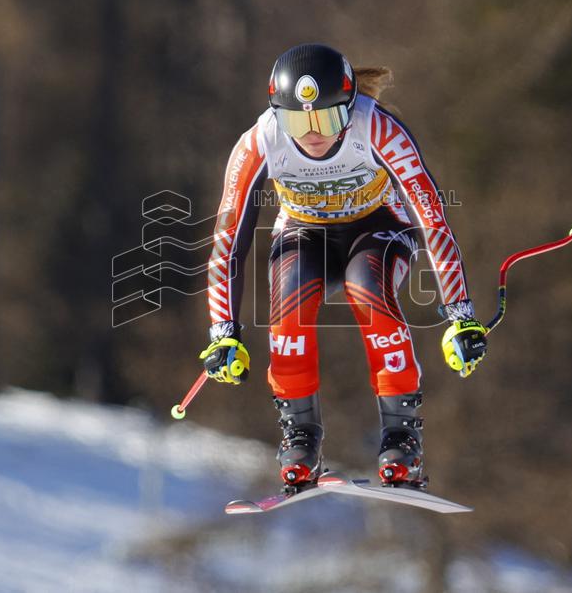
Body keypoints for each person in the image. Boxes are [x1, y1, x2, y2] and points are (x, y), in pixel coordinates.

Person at [198, 43, 487, 491]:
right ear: (278, 113)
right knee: (288, 297)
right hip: (304, 232)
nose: (313, 134)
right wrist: (223, 333)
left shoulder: (377, 128)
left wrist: (460, 315)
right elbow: (227, 239)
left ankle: (401, 436)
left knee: (366, 285)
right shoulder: (260, 141)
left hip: (378, 226)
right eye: (298, 121)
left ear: (349, 109)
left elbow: (431, 215)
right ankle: (300, 435)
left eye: (327, 119)